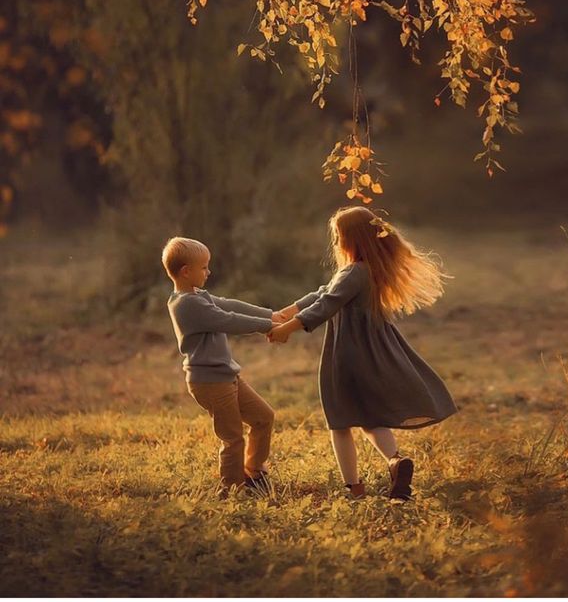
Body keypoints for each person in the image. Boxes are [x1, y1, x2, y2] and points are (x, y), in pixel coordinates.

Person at [268, 207, 457, 501]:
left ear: (348, 239)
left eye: (337, 236)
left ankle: (353, 488)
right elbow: (323, 293)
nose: (335, 242)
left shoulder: (354, 273)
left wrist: (287, 329)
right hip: (373, 354)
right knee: (369, 417)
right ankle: (395, 462)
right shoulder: (369, 270)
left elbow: (326, 303)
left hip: (347, 355)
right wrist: (286, 312)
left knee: (340, 421)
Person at [163, 236, 277, 499]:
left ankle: (253, 472)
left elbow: (229, 305)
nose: (208, 271)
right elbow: (228, 320)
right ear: (185, 271)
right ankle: (232, 490)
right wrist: (268, 327)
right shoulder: (186, 304)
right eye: (204, 267)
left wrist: (270, 314)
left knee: (263, 417)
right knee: (233, 437)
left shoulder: (197, 295)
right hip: (210, 381)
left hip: (227, 375)